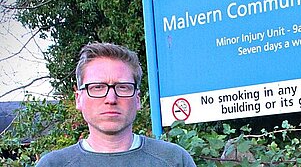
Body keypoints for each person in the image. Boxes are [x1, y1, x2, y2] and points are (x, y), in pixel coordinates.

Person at [36, 42, 196, 167]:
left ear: (138, 99)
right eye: (97, 87)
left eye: (122, 87)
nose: (111, 98)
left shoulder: (174, 160)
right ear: (79, 98)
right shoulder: (52, 164)